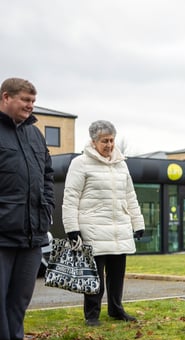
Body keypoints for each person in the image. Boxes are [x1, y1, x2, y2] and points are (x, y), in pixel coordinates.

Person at [62, 120, 145, 327]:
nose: (109, 145)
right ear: (93, 141)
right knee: (94, 275)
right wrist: (72, 228)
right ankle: (92, 315)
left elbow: (130, 196)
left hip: (119, 228)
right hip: (93, 228)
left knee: (117, 274)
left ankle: (116, 309)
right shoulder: (80, 163)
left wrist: (138, 222)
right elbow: (71, 196)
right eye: (104, 141)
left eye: (111, 140)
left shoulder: (121, 164)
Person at [0, 77, 54, 340]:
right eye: (25, 100)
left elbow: (47, 174)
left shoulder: (35, 135)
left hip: (33, 231)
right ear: (6, 97)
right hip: (2, 232)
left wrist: (46, 208)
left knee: (20, 295)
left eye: (33, 101)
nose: (31, 106)